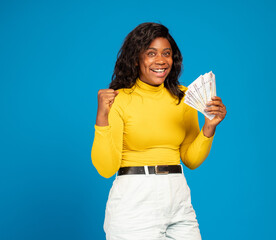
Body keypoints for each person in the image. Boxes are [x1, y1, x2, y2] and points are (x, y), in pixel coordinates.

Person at [91, 22, 226, 240]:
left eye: (167, 53)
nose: (161, 60)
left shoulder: (184, 97)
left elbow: (190, 160)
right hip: (134, 200)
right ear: (136, 58)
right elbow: (106, 168)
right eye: (151, 53)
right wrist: (102, 118)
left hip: (177, 195)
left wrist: (209, 126)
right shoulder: (119, 99)